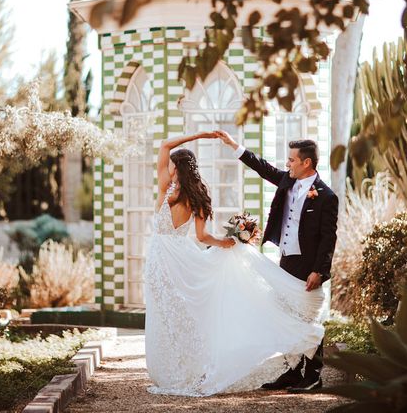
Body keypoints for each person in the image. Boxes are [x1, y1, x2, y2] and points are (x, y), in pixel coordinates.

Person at [144, 132, 326, 397]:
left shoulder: (164, 189)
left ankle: (179, 369)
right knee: (189, 312)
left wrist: (201, 135)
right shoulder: (195, 198)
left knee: (168, 315)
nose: (168, 168)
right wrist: (225, 244)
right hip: (181, 258)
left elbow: (164, 144)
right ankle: (191, 369)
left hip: (160, 260)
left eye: (172, 165)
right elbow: (204, 237)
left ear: (176, 168)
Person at [215, 130, 338, 392]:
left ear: (306, 163)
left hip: (309, 266)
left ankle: (313, 376)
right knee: (285, 313)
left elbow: (329, 238)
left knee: (307, 318)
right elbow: (263, 168)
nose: (287, 165)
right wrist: (234, 145)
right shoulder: (287, 181)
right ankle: (292, 371)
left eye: (292, 160)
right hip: (286, 261)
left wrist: (319, 270)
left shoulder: (326, 196)